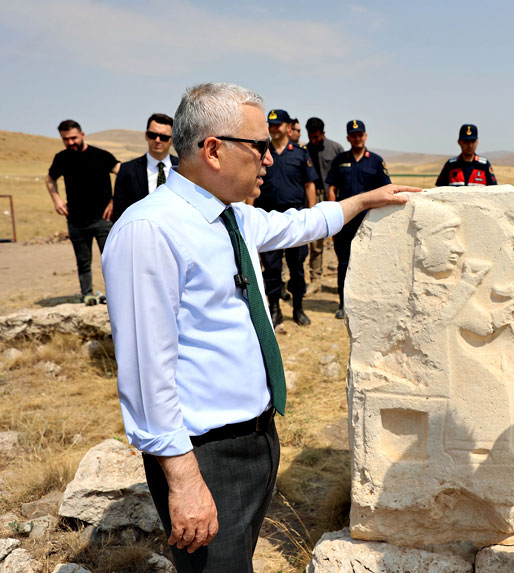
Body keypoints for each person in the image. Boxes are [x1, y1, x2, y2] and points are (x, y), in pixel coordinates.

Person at [102, 82, 418, 571]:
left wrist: (362, 201)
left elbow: (298, 225)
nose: (270, 160)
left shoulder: (233, 217)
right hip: (205, 455)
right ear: (213, 149)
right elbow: (146, 373)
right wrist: (184, 482)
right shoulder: (152, 230)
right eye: (260, 147)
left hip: (255, 437)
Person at [254, 108, 318, 326]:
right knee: (271, 268)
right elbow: (252, 183)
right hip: (267, 217)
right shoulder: (262, 151)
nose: (273, 128)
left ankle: (298, 307)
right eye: (270, 124)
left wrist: (313, 216)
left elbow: (310, 185)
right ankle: (274, 308)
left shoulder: (300, 152)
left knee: (297, 267)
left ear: (287, 127)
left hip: (295, 218)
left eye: (277, 124)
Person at [46, 119, 120, 303]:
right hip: (76, 221)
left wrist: (114, 201)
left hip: (104, 220)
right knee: (83, 262)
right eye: (65, 139)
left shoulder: (101, 156)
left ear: (82, 135)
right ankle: (87, 294)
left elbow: (123, 173)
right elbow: (49, 179)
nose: (70, 142)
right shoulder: (61, 158)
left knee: (111, 261)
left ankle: (117, 295)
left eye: (73, 138)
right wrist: (56, 199)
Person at [326, 119, 391, 319]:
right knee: (344, 263)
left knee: (370, 263)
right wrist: (333, 213)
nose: (357, 138)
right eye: (353, 135)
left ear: (365, 136)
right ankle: (344, 303)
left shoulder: (376, 161)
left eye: (360, 134)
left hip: (369, 222)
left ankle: (368, 303)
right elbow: (331, 188)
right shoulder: (340, 160)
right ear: (348, 138)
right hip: (345, 222)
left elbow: (385, 190)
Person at [112, 113, 179, 222]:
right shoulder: (127, 170)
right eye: (153, 135)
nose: (157, 140)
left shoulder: (184, 168)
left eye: (164, 137)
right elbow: (119, 213)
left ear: (172, 140)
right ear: (146, 135)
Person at [305, 117, 344, 293]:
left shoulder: (336, 149)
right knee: (315, 241)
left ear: (323, 133)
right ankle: (315, 280)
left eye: (316, 137)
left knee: (340, 241)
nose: (313, 141)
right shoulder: (304, 150)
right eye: (310, 137)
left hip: (334, 199)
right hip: (313, 199)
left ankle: (342, 280)